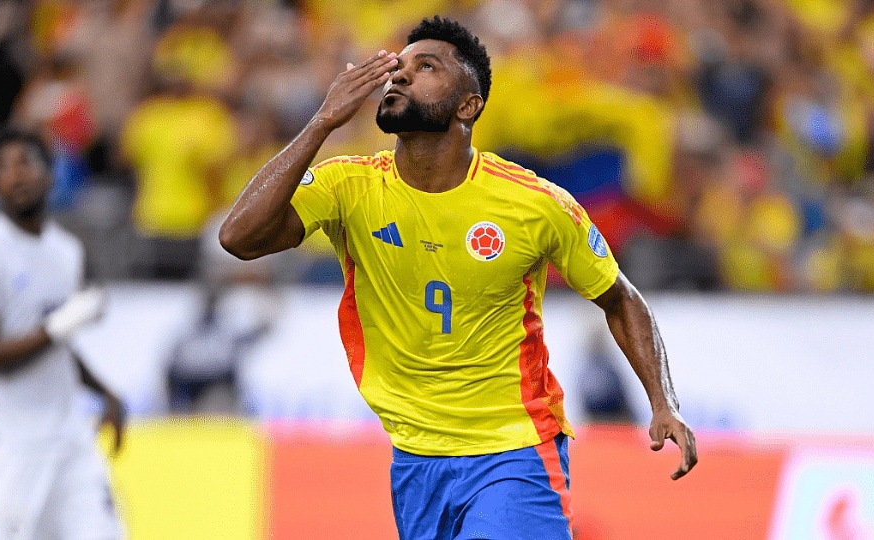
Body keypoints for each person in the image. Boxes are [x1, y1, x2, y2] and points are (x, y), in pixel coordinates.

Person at [220, 16, 697, 539]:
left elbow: (620, 298)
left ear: (468, 106)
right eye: (399, 67)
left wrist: (662, 401)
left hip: (513, 451)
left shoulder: (534, 204)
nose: (400, 76)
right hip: (414, 459)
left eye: (426, 67)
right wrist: (321, 123)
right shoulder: (348, 186)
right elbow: (238, 237)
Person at [0, 131, 125, 539]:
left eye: (26, 162)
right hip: (12, 445)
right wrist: (61, 323)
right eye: (2, 168)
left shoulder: (66, 251)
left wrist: (104, 392)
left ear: (50, 174)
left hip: (69, 437)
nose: (16, 175)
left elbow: (56, 348)